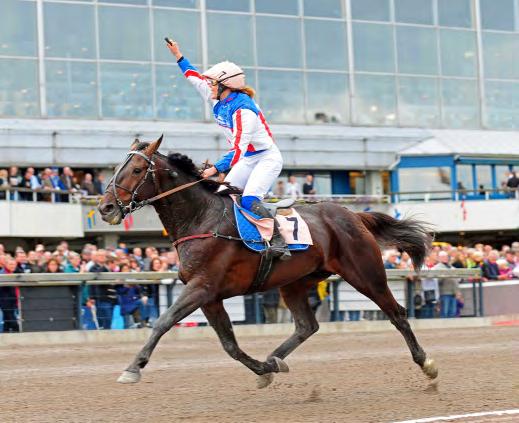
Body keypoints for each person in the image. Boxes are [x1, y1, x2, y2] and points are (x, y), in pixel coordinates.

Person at [166, 38, 290, 260]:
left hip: (265, 159)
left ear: (225, 86)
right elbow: (195, 78)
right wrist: (179, 56)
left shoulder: (245, 111)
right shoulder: (218, 97)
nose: (209, 86)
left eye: (213, 83)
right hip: (247, 159)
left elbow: (239, 150)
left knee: (249, 199)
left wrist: (214, 170)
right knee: (222, 197)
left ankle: (279, 239)